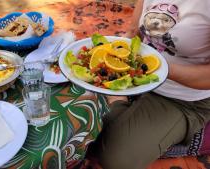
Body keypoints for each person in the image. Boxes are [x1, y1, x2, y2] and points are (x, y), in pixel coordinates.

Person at [80, 0, 210, 169]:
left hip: (183, 98)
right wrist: (112, 57)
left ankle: (117, 104)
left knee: (116, 159)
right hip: (138, 79)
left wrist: (159, 69)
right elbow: (134, 33)